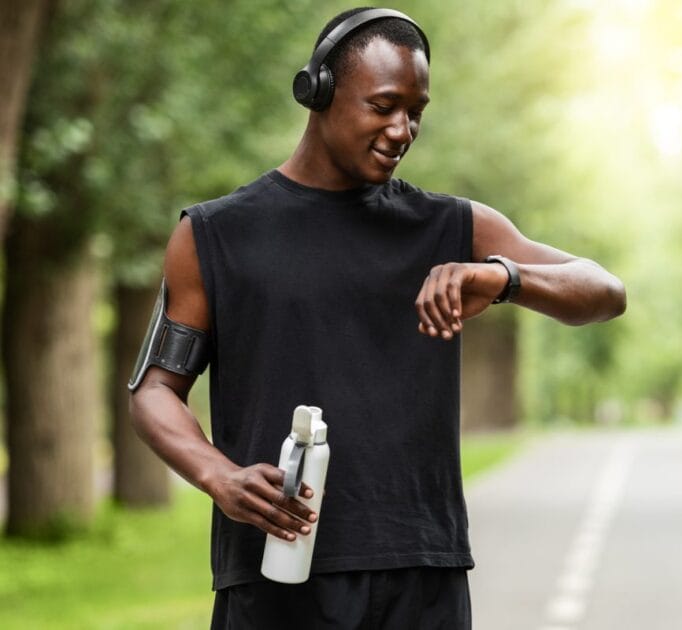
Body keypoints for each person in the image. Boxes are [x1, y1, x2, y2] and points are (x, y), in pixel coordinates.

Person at [129, 6, 626, 629]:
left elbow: (605, 289)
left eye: (416, 111)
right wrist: (217, 477)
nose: (402, 129)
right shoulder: (214, 236)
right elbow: (154, 390)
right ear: (319, 91)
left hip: (422, 576)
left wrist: (502, 277)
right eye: (384, 105)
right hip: (274, 575)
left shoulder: (454, 227)